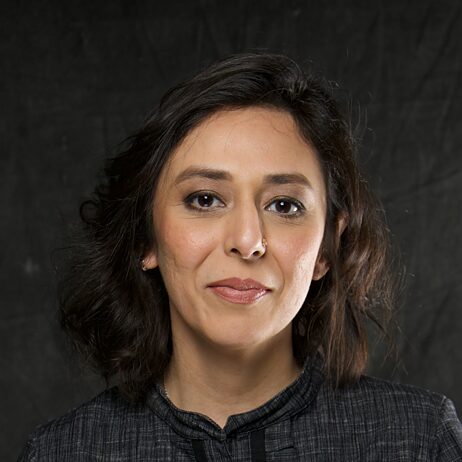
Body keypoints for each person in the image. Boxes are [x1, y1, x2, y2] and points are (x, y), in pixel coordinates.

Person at [19, 53, 462, 461]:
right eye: (205, 199)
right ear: (145, 239)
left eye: (284, 205)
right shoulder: (62, 452)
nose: (247, 241)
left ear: (327, 247)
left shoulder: (418, 441)